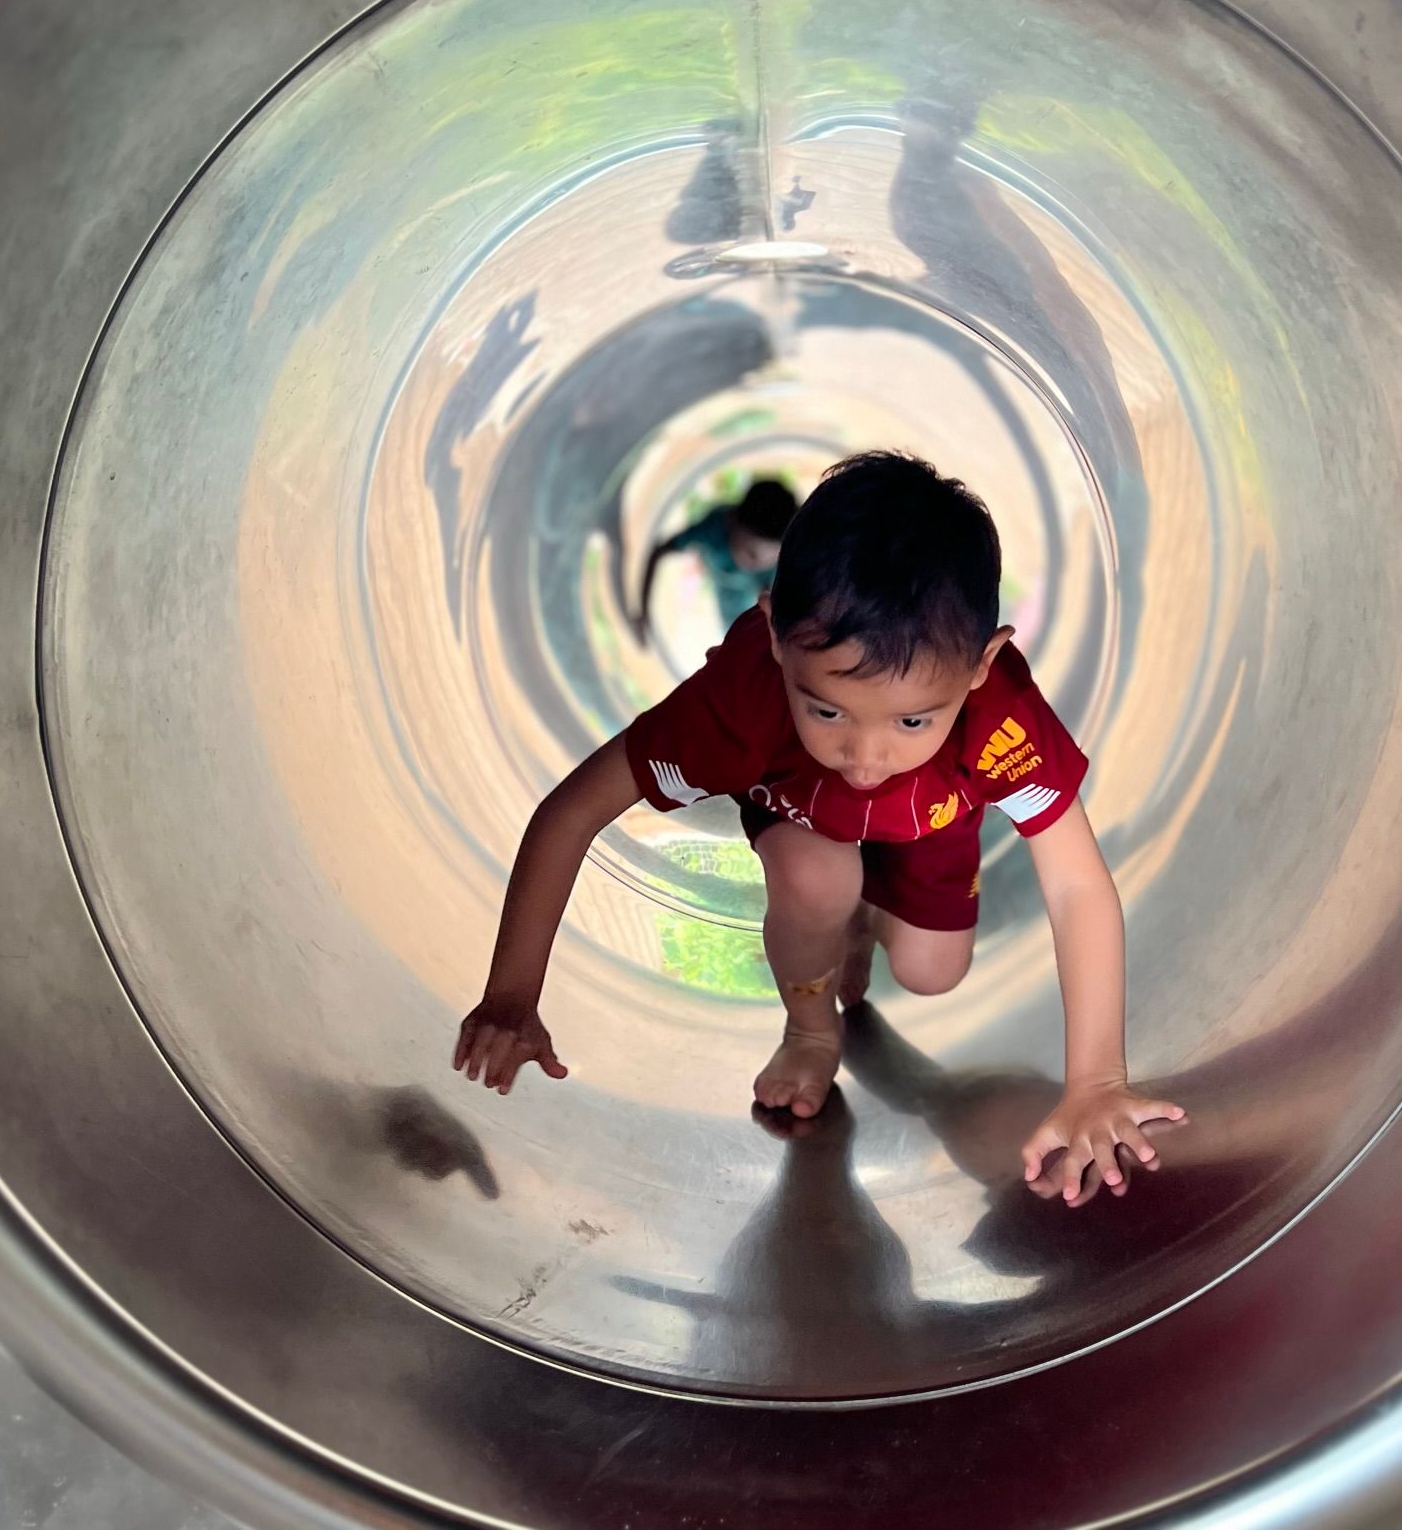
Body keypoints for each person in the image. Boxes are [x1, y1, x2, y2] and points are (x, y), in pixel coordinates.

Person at [455, 452, 1184, 1202]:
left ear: (981, 663)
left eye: (911, 720)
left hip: (932, 819)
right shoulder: (742, 698)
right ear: (774, 632)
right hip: (798, 811)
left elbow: (1073, 884)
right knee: (817, 877)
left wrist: (1096, 1080)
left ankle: (865, 914)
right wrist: (512, 994)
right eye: (827, 709)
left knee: (931, 973)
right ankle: (809, 1027)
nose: (864, 756)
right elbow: (573, 810)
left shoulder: (1000, 717)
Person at [633, 479, 797, 641]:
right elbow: (658, 551)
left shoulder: (778, 563)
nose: (758, 565)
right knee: (732, 630)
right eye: (751, 554)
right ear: (732, 519)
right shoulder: (713, 529)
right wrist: (643, 612)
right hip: (725, 591)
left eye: (773, 558)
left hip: (745, 593)